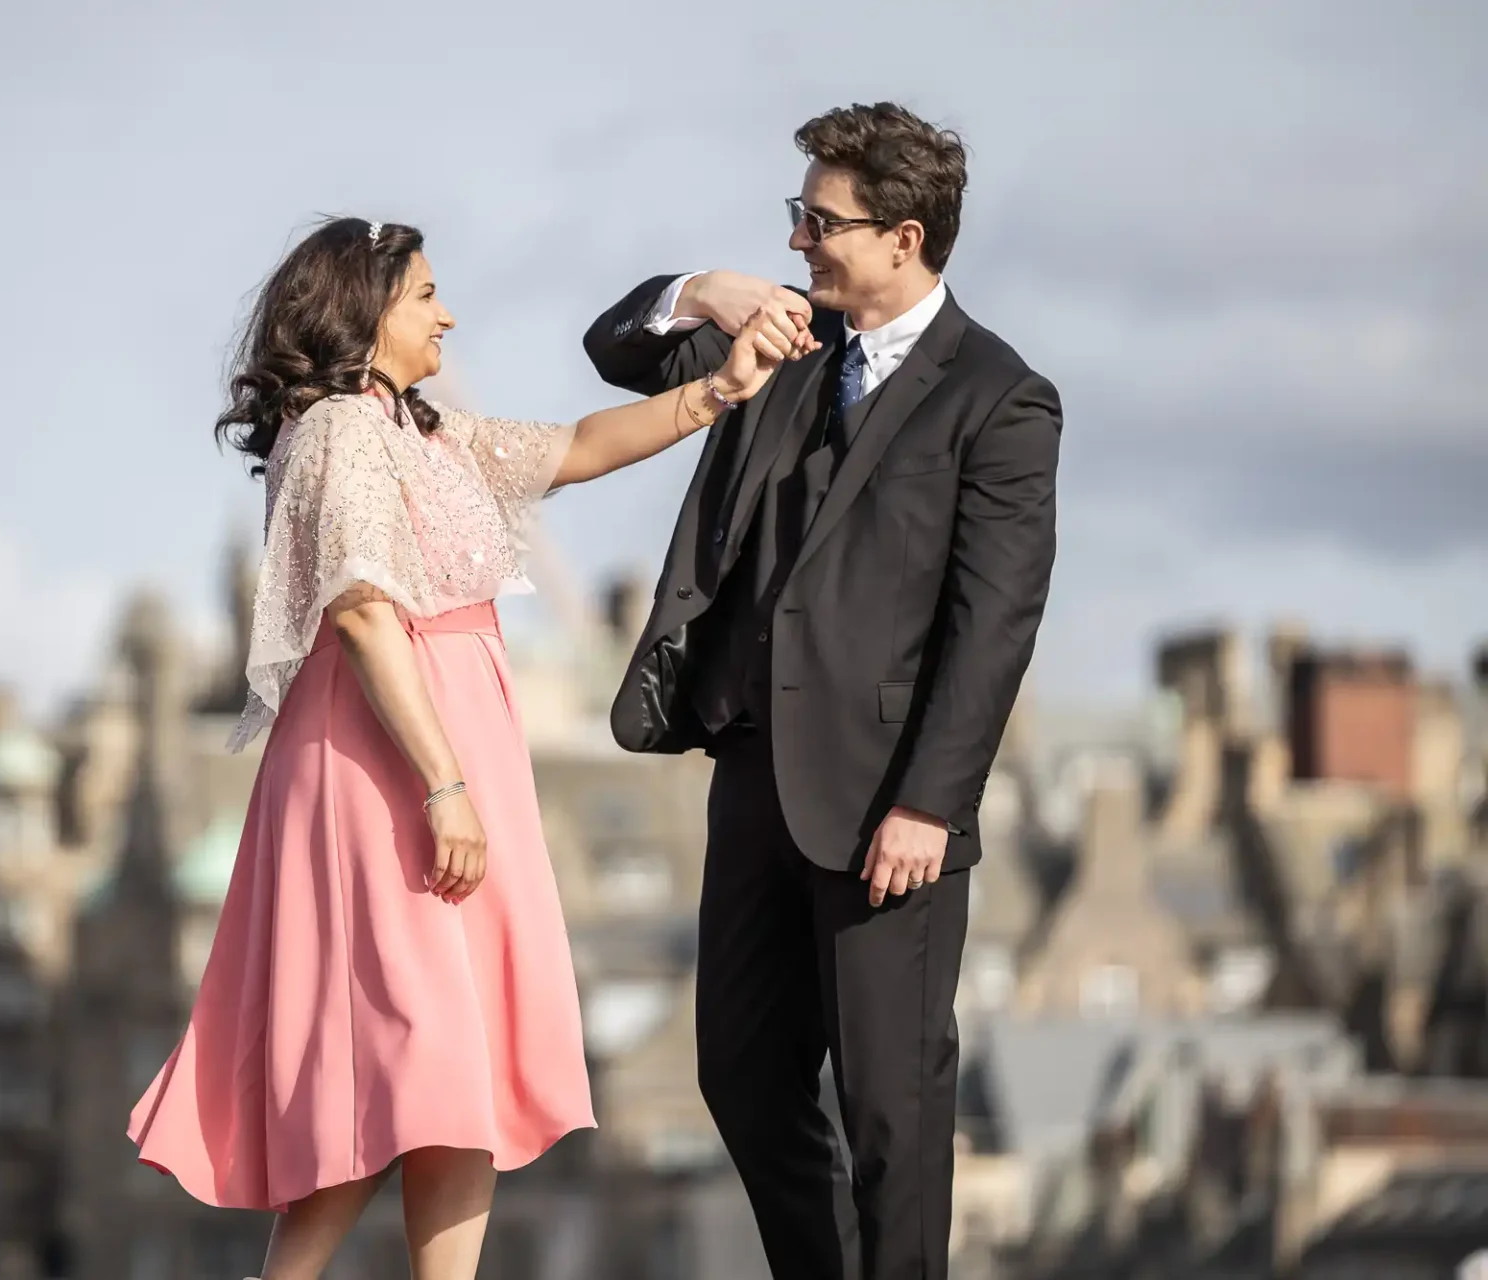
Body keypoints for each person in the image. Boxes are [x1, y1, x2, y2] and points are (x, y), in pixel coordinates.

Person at [127, 215, 801, 1280]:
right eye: (425, 294)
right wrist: (443, 782)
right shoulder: (344, 428)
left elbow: (574, 449)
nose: (447, 313)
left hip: (450, 744)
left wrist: (723, 388)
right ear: (364, 313)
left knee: (460, 1069)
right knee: (419, 1055)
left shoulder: (422, 430)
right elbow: (357, 607)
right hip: (388, 756)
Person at [583, 103, 1063, 1280]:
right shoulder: (782, 343)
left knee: (893, 1111)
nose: (799, 240)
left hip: (887, 805)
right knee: (741, 1073)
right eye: (795, 215)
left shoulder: (1000, 399)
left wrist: (931, 802)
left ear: (904, 238)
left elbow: (993, 620)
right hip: (751, 772)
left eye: (820, 221)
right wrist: (706, 289)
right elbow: (616, 348)